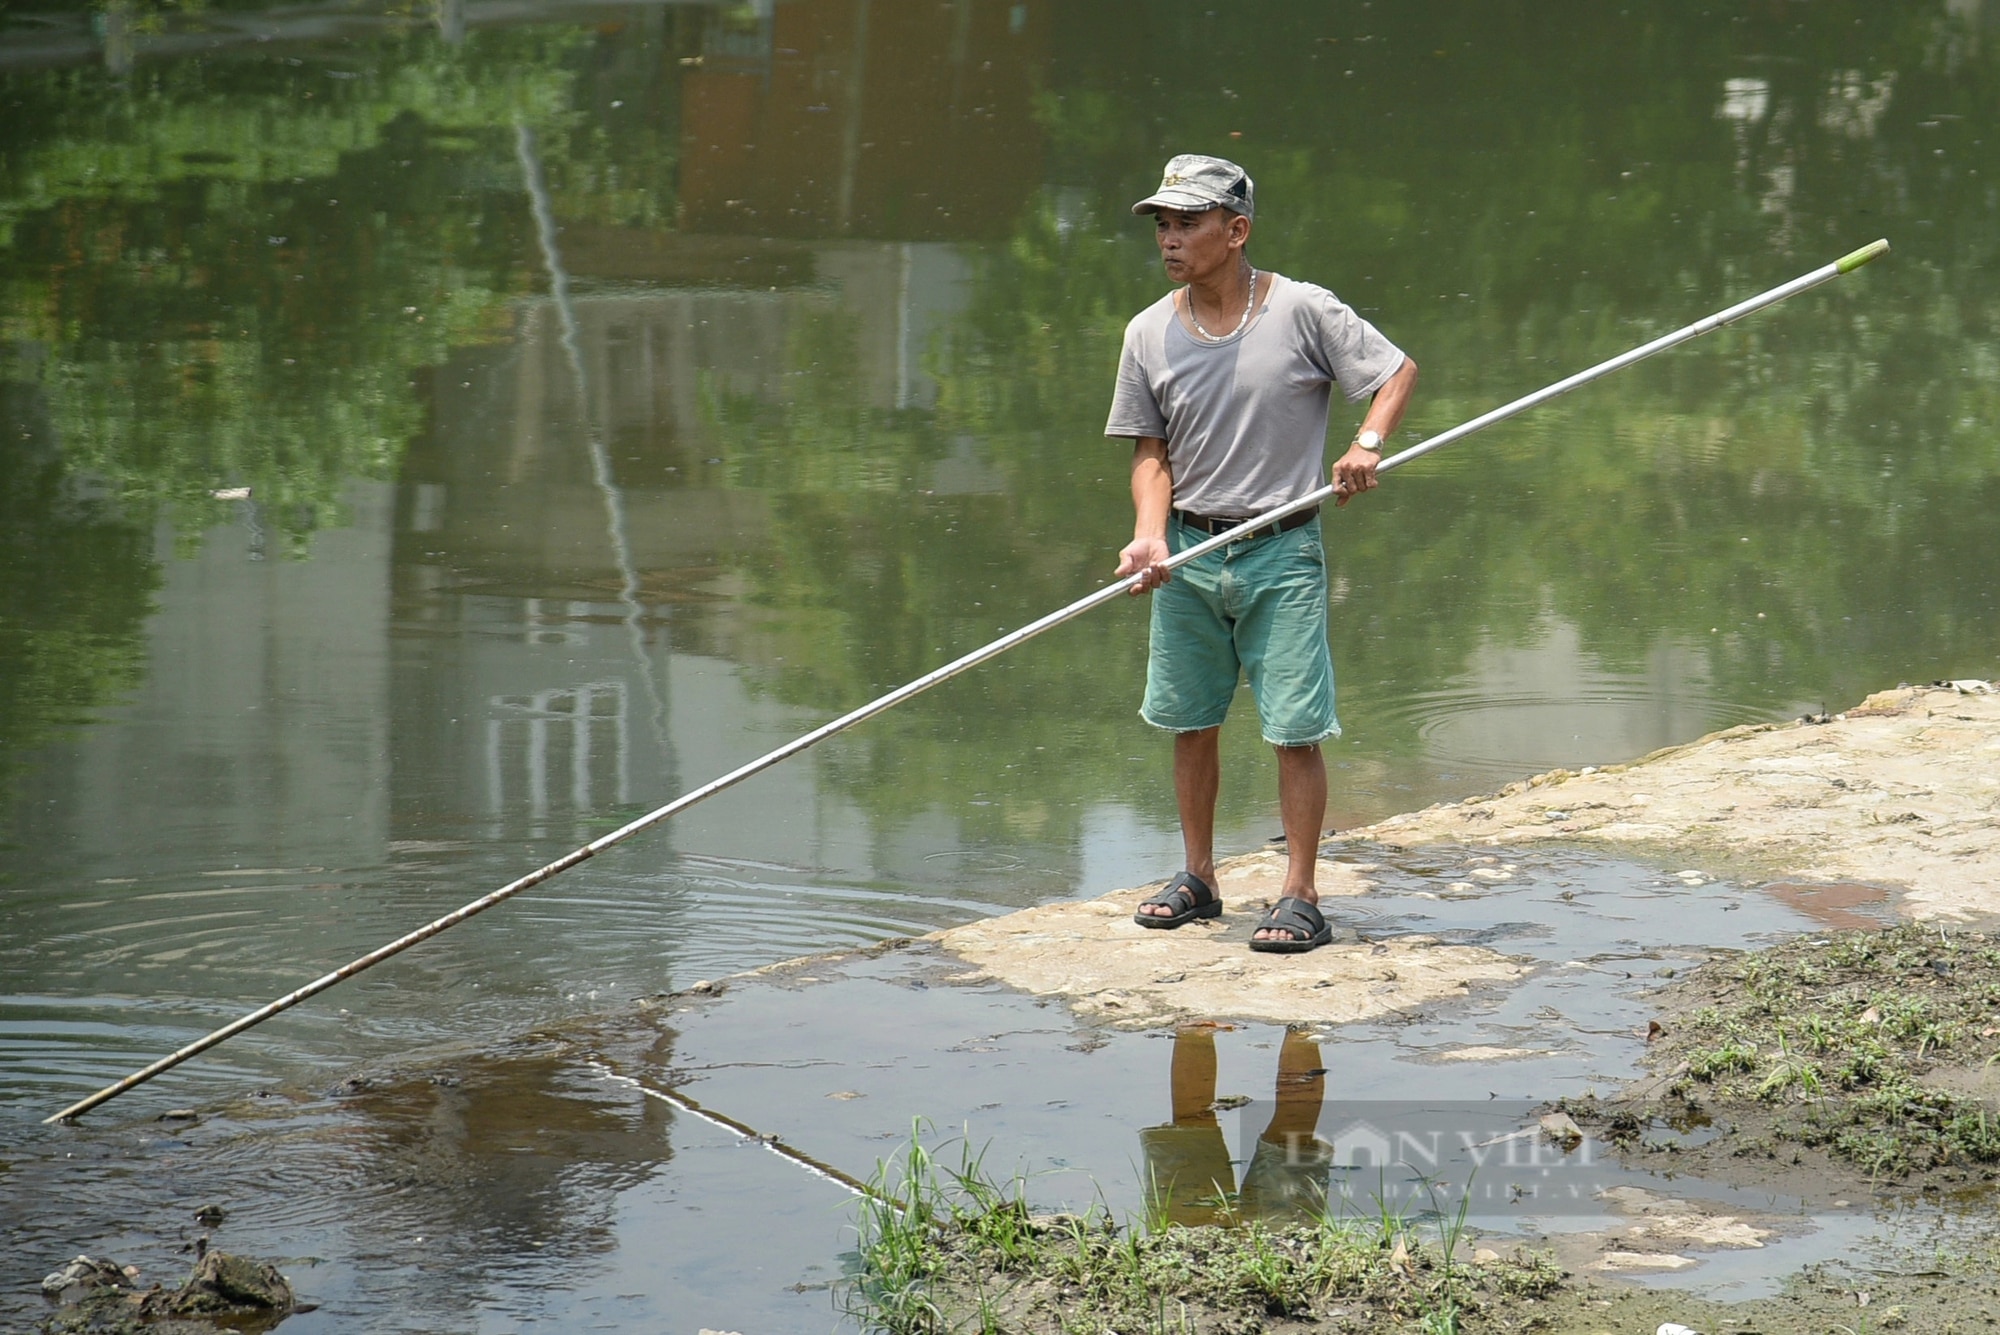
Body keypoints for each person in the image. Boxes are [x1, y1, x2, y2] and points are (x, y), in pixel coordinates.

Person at [1106, 153, 1418, 953]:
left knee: (1294, 727)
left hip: (1282, 548)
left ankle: (1301, 892)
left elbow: (1395, 370)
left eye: (1188, 223)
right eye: (1163, 226)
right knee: (1189, 719)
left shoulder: (1302, 310)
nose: (1170, 240)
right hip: (1188, 552)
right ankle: (1199, 877)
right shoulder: (1148, 332)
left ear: (1236, 230)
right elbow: (1151, 453)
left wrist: (1367, 444)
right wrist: (1149, 533)